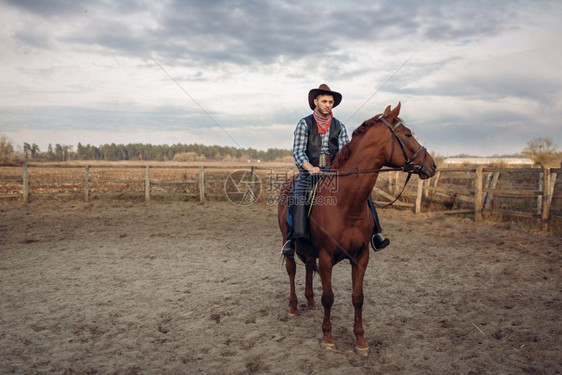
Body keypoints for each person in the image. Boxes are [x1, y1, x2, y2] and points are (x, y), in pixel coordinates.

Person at [282, 84, 390, 257]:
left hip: (334, 172)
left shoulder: (339, 126)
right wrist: (310, 168)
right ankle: (291, 240)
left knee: (364, 194)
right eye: (324, 101)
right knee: (297, 195)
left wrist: (340, 169)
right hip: (310, 171)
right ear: (315, 101)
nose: (327, 105)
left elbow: (345, 153)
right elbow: (298, 151)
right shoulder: (304, 123)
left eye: (330, 102)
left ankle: (376, 234)